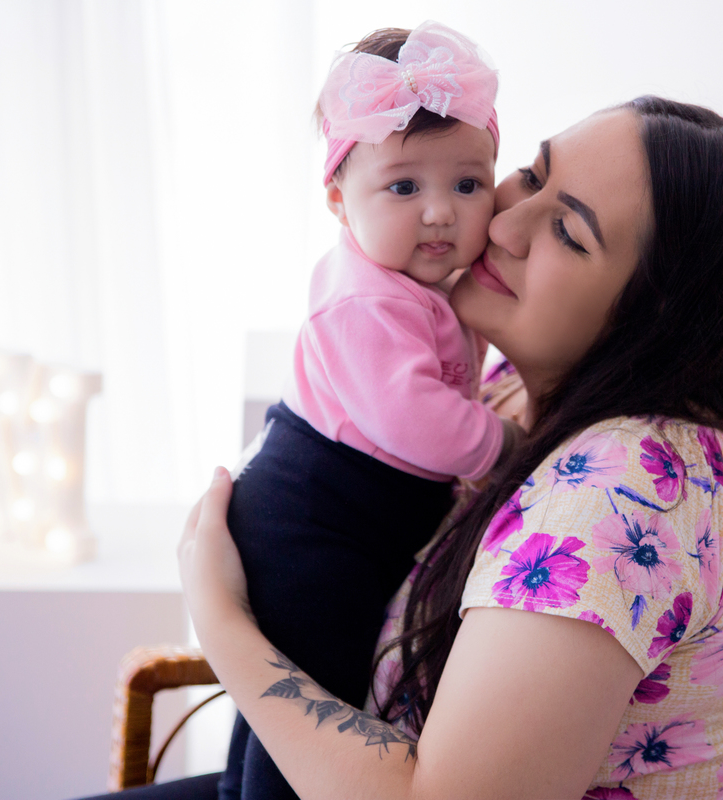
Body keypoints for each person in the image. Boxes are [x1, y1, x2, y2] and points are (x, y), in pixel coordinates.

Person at [92, 95, 723, 800]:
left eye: (568, 232)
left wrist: (222, 620)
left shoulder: (624, 496)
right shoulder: (510, 387)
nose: (502, 224)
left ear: (657, 318)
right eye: (531, 175)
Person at [220, 22, 521, 797]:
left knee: (281, 695)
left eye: (468, 185)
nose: (440, 212)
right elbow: (413, 416)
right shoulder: (363, 299)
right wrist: (502, 442)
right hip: (317, 518)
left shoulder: (420, 284)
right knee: (311, 695)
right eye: (404, 187)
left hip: (351, 514)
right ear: (337, 199)